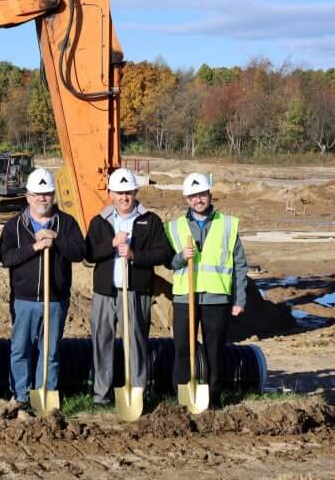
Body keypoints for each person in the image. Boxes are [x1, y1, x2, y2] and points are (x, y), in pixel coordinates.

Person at [84, 168, 171, 405]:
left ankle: (136, 393)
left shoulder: (150, 220)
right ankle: (101, 395)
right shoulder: (99, 221)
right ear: (111, 194)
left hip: (135, 292)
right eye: (119, 193)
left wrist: (134, 255)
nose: (124, 197)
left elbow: (163, 253)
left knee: (136, 343)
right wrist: (111, 244)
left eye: (128, 192)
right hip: (105, 292)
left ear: (135, 192)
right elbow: (88, 254)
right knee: (102, 341)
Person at [0, 168, 84, 410]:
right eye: (37, 194)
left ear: (53, 196)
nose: (42, 199)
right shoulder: (15, 226)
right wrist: (34, 247)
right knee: (20, 350)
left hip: (55, 299)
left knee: (50, 351)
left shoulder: (66, 223)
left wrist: (57, 239)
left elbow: (79, 253)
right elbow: (6, 257)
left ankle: (45, 393)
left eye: (46, 194)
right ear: (28, 197)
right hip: (24, 299)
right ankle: (20, 396)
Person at [165, 172, 249, 405]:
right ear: (186, 199)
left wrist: (239, 299)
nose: (198, 200)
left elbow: (240, 265)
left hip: (216, 298)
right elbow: (167, 261)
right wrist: (181, 257)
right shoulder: (174, 227)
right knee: (182, 349)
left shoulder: (227, 225)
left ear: (210, 195)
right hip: (185, 298)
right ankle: (183, 398)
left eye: (202, 194)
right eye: (193, 196)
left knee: (214, 351)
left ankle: (213, 398)